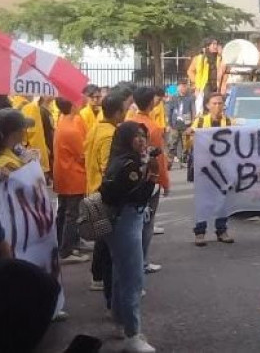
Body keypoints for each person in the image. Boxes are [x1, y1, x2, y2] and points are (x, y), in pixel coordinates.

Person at [101, 122, 158, 353]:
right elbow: (140, 195)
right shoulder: (129, 165)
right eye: (136, 136)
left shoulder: (119, 159)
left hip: (117, 223)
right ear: (126, 139)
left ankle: (119, 322)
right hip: (127, 223)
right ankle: (133, 336)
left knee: (119, 273)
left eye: (144, 136)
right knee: (133, 279)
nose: (142, 140)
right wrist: (153, 174)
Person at [85, 92, 126, 292]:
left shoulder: (96, 128)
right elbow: (107, 167)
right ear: (118, 112)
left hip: (92, 189)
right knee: (106, 239)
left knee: (102, 237)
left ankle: (98, 276)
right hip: (103, 193)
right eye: (124, 111)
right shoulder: (110, 134)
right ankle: (100, 277)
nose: (125, 114)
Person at [128, 87, 169, 275]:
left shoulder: (129, 121)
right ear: (152, 102)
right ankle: (142, 262)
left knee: (135, 223)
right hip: (148, 180)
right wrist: (164, 181)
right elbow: (158, 159)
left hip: (131, 178)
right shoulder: (152, 127)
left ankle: (136, 261)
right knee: (147, 223)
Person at [189, 93, 235, 246]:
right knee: (203, 200)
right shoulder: (200, 121)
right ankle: (200, 232)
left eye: (220, 103)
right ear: (208, 105)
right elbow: (191, 141)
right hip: (204, 169)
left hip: (223, 168)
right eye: (214, 103)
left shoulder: (229, 121)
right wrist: (189, 134)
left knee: (223, 200)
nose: (218, 106)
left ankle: (221, 230)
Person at [53, 98, 90, 265]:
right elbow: (82, 155)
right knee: (72, 214)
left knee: (64, 212)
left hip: (62, 173)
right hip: (73, 175)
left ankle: (65, 243)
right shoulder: (71, 130)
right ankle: (67, 250)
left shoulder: (61, 122)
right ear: (73, 104)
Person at [187, 39, 222, 115]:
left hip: (217, 85)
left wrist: (221, 55)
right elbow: (190, 71)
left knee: (217, 104)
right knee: (206, 103)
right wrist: (196, 83)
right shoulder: (199, 58)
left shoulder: (220, 58)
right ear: (207, 46)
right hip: (205, 85)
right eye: (213, 44)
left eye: (217, 44)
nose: (216, 46)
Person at [20, 96, 51, 177]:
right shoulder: (32, 107)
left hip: (32, 151)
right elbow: (32, 133)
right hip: (34, 153)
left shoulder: (32, 107)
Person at [167, 80, 195, 166]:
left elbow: (193, 111)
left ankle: (184, 161)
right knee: (172, 144)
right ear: (178, 87)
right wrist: (169, 124)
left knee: (186, 145)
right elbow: (169, 111)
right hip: (175, 124)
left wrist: (192, 124)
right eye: (182, 86)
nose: (184, 88)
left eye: (185, 86)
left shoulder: (190, 98)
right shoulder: (173, 98)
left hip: (186, 125)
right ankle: (169, 162)